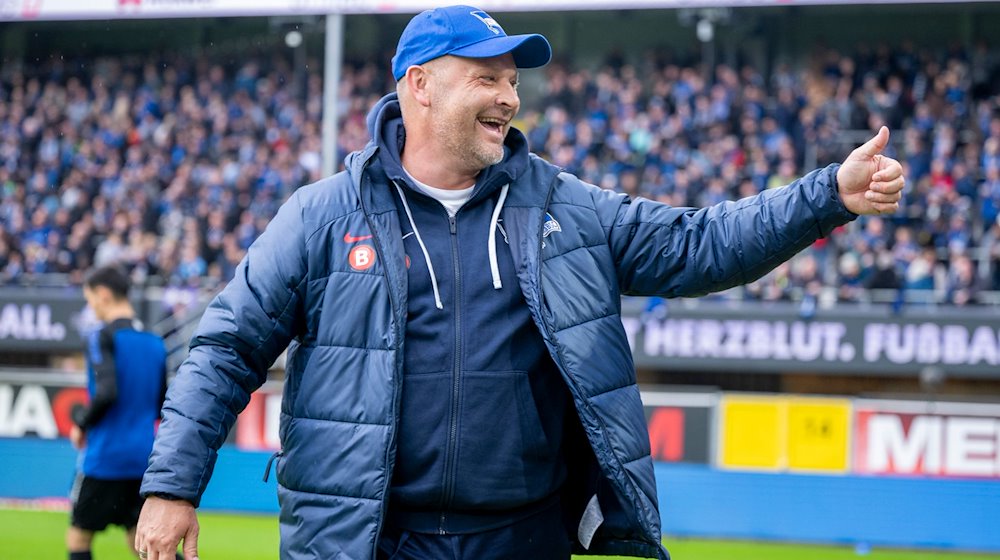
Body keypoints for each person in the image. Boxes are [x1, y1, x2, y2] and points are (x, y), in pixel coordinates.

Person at [135, 5, 905, 560]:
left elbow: (698, 245)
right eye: (486, 78)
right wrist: (172, 487)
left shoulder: (563, 208)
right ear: (420, 85)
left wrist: (825, 196)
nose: (509, 96)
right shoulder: (321, 217)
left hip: (525, 539)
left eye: (511, 80)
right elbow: (226, 348)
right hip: (367, 541)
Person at [67, 265, 171, 560]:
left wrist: (82, 424)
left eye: (90, 300)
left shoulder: (101, 337)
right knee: (143, 542)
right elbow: (161, 403)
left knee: (78, 537)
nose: (91, 307)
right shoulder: (155, 343)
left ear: (102, 295)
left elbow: (107, 392)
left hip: (106, 456)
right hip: (143, 458)